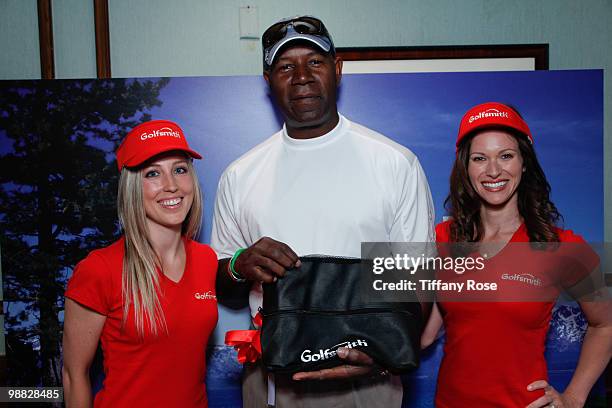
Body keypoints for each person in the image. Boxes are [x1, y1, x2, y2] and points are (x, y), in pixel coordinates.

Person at [211, 15, 435, 408]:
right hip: (272, 380)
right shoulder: (240, 174)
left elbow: (415, 280)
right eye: (285, 66)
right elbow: (225, 289)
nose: (301, 76)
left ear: (338, 67)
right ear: (268, 80)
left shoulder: (394, 162)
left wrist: (380, 355)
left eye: (314, 61)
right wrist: (239, 264)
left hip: (367, 382)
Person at [421, 102, 612, 407]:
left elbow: (606, 324)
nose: (493, 170)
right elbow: (425, 334)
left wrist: (574, 397)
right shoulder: (442, 239)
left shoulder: (561, 246)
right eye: (479, 158)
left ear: (524, 162)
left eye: (506, 156)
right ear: (465, 167)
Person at [62, 120, 218, 407]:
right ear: (133, 185)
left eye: (180, 169)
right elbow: (74, 375)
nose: (171, 186)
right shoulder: (100, 269)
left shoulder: (206, 259)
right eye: (153, 173)